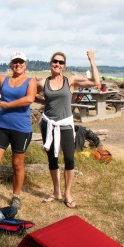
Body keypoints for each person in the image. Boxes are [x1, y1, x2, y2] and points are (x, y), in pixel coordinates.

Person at [36, 50, 100, 208]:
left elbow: (95, 81)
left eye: (61, 62)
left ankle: (68, 194)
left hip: (65, 124)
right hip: (48, 124)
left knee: (69, 159)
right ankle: (56, 191)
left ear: (64, 66)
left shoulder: (70, 81)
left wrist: (91, 59)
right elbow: (30, 94)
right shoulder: (43, 82)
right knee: (52, 159)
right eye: (55, 61)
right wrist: (45, 103)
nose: (58, 64)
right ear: (51, 63)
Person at [0, 51, 37, 209]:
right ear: (11, 64)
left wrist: (7, 105)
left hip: (21, 128)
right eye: (15, 62)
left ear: (25, 64)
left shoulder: (31, 81)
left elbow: (29, 99)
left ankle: (16, 196)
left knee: (17, 164)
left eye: (21, 62)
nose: (18, 65)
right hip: (2, 126)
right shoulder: (4, 79)